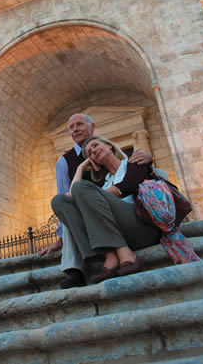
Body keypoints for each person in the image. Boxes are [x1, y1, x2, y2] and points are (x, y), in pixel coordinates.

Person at [39, 113, 153, 287]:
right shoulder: (103, 180)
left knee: (80, 191)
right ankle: (102, 258)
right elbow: (68, 196)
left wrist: (148, 158)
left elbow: (128, 186)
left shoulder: (132, 163)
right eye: (89, 152)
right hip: (115, 228)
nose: (92, 151)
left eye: (95, 146)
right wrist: (81, 168)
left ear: (108, 145)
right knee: (59, 201)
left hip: (141, 224)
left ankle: (125, 255)